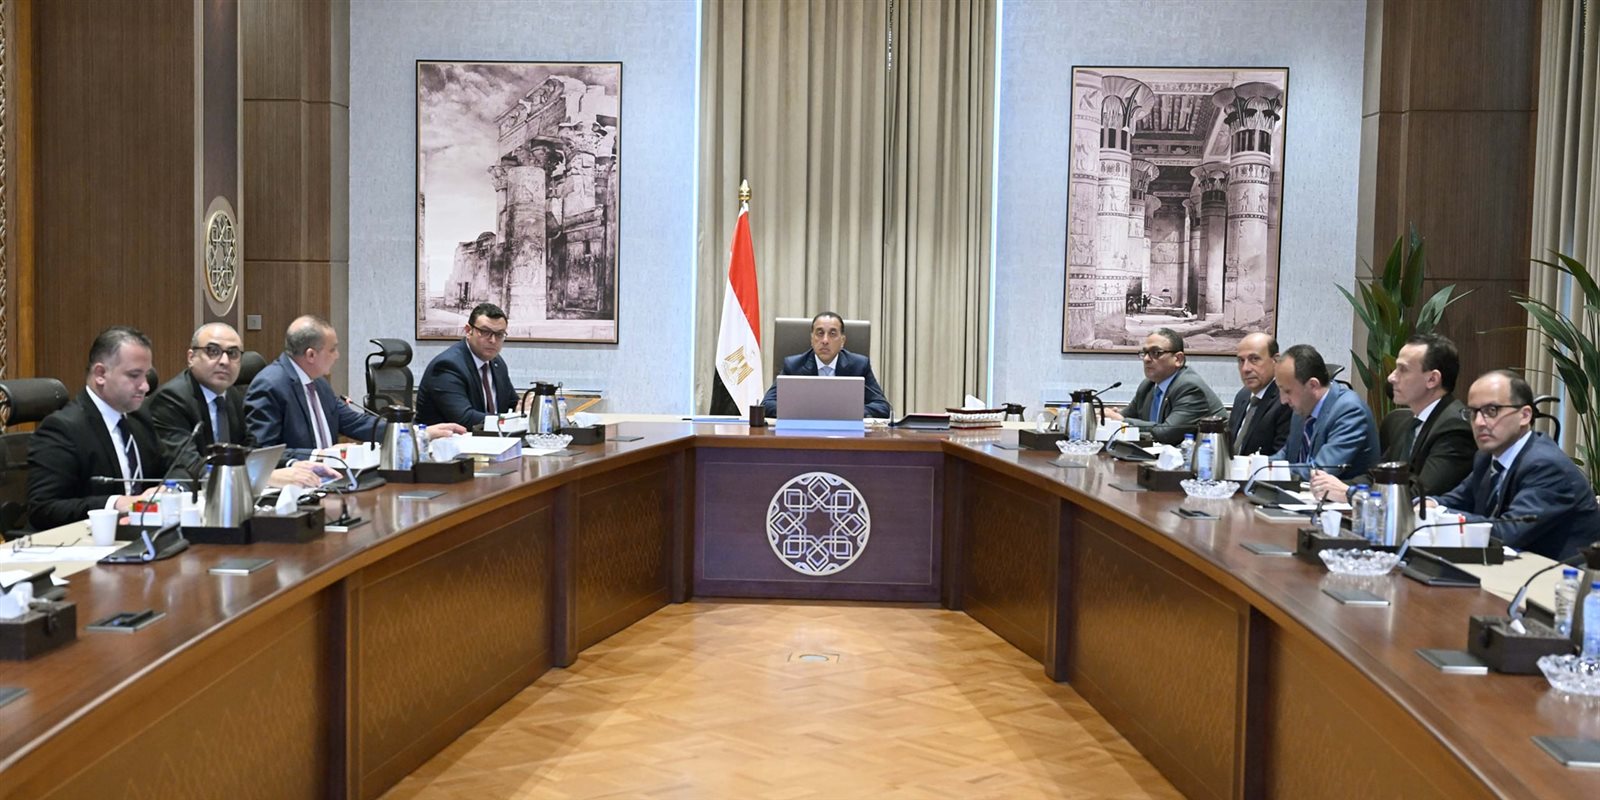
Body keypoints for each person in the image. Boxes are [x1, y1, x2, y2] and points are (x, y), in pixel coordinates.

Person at [245, 315, 464, 462]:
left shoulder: (318, 383)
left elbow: (356, 423)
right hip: (294, 490)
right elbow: (262, 454)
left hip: (329, 479)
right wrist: (320, 455)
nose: (337, 356)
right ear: (311, 355)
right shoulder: (271, 385)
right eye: (333, 350)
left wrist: (417, 433)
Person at [1430, 370, 1599, 560]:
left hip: (1560, 572)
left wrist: (1438, 513)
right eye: (1473, 412)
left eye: (1491, 411)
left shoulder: (1546, 465)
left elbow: (1508, 532)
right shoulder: (1486, 457)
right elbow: (1458, 500)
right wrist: (1429, 504)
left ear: (1525, 415)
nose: (1479, 422)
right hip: (1512, 565)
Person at [143, 322, 335, 487]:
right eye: (213, 351)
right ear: (191, 357)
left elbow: (252, 452)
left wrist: (293, 465)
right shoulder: (171, 400)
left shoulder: (232, 396)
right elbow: (192, 468)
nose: (224, 361)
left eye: (233, 353)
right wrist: (267, 477)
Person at [26, 327, 167, 530]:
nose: (145, 386)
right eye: (134, 375)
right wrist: (115, 504)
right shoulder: (62, 429)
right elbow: (44, 508)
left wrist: (167, 489)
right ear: (101, 374)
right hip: (86, 540)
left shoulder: (139, 417)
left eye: (146, 375)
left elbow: (171, 466)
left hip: (142, 534)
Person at [1310, 333, 1474, 500]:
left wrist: (1349, 493)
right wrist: (1330, 487)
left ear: (1432, 379)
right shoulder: (1407, 422)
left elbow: (1419, 496)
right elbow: (1376, 478)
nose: (1391, 377)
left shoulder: (1455, 429)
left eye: (1403, 370)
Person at [1270, 344, 1380, 479]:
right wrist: (1256, 465)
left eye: (1287, 391)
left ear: (1313, 385)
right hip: (1303, 490)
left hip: (1342, 491)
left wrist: (1272, 471)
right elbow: (1287, 454)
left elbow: (1322, 470)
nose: (1283, 400)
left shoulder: (1349, 411)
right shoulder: (1302, 408)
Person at [1102, 328, 1223, 445]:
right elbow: (1126, 416)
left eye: (1156, 353)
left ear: (1178, 359)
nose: (1146, 359)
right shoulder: (1148, 386)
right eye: (1145, 353)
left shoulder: (1189, 387)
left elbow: (1167, 433)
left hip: (1207, 455)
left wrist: (1122, 421)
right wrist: (1110, 417)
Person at [760, 312, 890, 418]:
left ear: (842, 341)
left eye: (832, 334)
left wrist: (848, 412)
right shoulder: (794, 366)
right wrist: (804, 411)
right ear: (812, 339)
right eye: (820, 333)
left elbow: (882, 407)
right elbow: (766, 404)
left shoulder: (859, 365)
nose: (825, 340)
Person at [416, 302, 519, 427]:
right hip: (448, 438)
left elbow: (512, 403)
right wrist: (509, 420)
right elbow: (465, 418)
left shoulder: (497, 363)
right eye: (485, 332)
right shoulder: (447, 366)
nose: (493, 340)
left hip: (490, 437)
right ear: (468, 331)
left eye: (499, 334)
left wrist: (525, 406)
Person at [1227, 332, 1292, 456]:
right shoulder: (1242, 395)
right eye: (1241, 361)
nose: (1245, 368)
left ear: (1276, 360)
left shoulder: (1285, 400)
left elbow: (1281, 456)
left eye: (1254, 359)